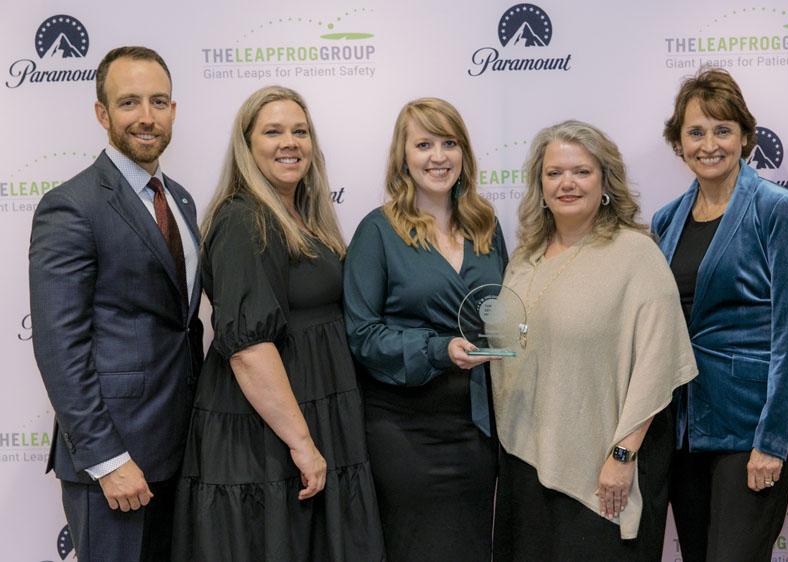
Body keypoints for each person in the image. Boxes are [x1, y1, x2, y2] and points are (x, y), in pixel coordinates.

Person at [172, 86, 384, 561]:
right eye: (273, 131)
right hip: (264, 436)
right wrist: (303, 443)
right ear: (247, 146)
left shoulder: (306, 217)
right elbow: (248, 351)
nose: (290, 142)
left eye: (300, 131)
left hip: (314, 414)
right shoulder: (243, 219)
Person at [492, 120, 698, 561]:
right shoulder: (524, 258)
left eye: (581, 171)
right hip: (525, 466)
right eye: (554, 173)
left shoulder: (635, 254)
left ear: (605, 181)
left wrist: (623, 455)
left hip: (601, 471)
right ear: (539, 184)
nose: (567, 183)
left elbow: (659, 364)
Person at [28, 46, 202, 562]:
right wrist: (106, 458)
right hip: (115, 463)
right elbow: (60, 347)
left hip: (181, 452)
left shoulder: (182, 199)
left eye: (159, 101)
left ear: (173, 110)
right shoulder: (70, 206)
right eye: (129, 103)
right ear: (102, 113)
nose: (146, 117)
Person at [651, 67, 788, 562]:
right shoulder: (666, 218)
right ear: (678, 142)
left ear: (745, 137)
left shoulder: (777, 208)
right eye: (695, 132)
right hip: (683, 429)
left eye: (723, 130)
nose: (709, 144)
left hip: (751, 429)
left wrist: (773, 439)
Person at [343, 97, 506, 562]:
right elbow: (362, 334)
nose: (438, 156)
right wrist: (439, 349)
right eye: (424, 144)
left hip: (476, 430)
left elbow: (503, 313)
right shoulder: (377, 231)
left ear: (464, 153)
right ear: (404, 157)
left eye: (449, 143)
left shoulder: (486, 227)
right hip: (404, 431)